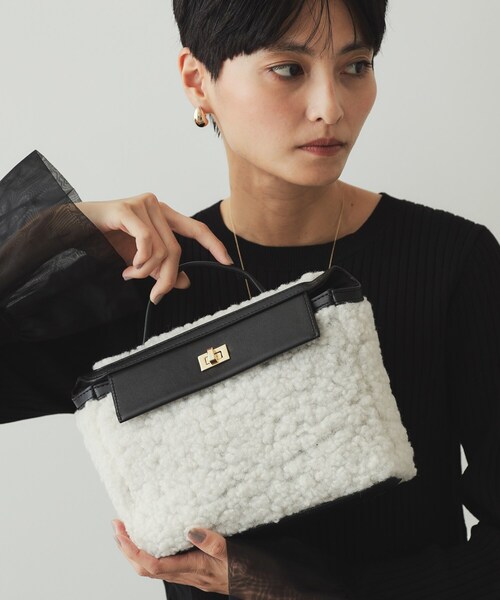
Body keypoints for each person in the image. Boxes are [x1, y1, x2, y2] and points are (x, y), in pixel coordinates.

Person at [1, 0, 499, 598]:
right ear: (198, 81)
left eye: (356, 66)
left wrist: (308, 591)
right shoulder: (147, 278)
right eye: (288, 69)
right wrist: (55, 233)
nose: (331, 107)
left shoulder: (454, 261)